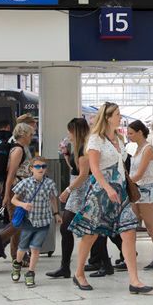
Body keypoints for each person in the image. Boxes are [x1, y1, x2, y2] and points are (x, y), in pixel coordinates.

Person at [69, 102, 153, 294]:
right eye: (117, 114)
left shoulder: (119, 138)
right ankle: (79, 273)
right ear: (107, 117)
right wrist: (107, 188)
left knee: (129, 232)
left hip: (120, 193)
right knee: (91, 234)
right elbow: (95, 169)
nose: (120, 117)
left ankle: (135, 280)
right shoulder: (95, 140)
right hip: (100, 193)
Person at [10, 156, 61, 289]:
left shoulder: (49, 184)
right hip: (29, 220)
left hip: (44, 221)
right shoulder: (25, 183)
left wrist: (56, 214)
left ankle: (30, 273)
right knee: (22, 247)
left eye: (44, 166)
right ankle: (17, 264)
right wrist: (23, 204)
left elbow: (53, 199)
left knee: (35, 248)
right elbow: (13, 200)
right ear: (31, 168)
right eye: (38, 166)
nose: (41, 169)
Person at [48, 118, 89, 279]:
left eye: (70, 131)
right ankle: (66, 267)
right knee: (85, 230)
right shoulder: (78, 148)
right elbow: (75, 169)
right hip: (77, 193)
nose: (68, 135)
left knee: (73, 229)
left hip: (80, 193)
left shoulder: (84, 149)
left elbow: (83, 175)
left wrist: (67, 190)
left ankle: (66, 267)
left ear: (76, 132)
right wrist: (66, 154)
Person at [128, 120, 153, 269]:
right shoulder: (137, 148)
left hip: (146, 189)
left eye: (131, 133)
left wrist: (124, 183)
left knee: (150, 224)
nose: (129, 136)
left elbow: (139, 173)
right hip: (136, 189)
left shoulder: (147, 149)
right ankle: (130, 255)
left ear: (139, 132)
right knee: (132, 224)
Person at [2, 123, 34, 262]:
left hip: (20, 191)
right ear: (24, 135)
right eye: (30, 134)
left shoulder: (19, 148)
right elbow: (11, 173)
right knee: (18, 224)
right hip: (16, 192)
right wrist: (6, 195)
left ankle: (18, 255)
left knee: (19, 225)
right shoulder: (18, 150)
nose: (32, 137)